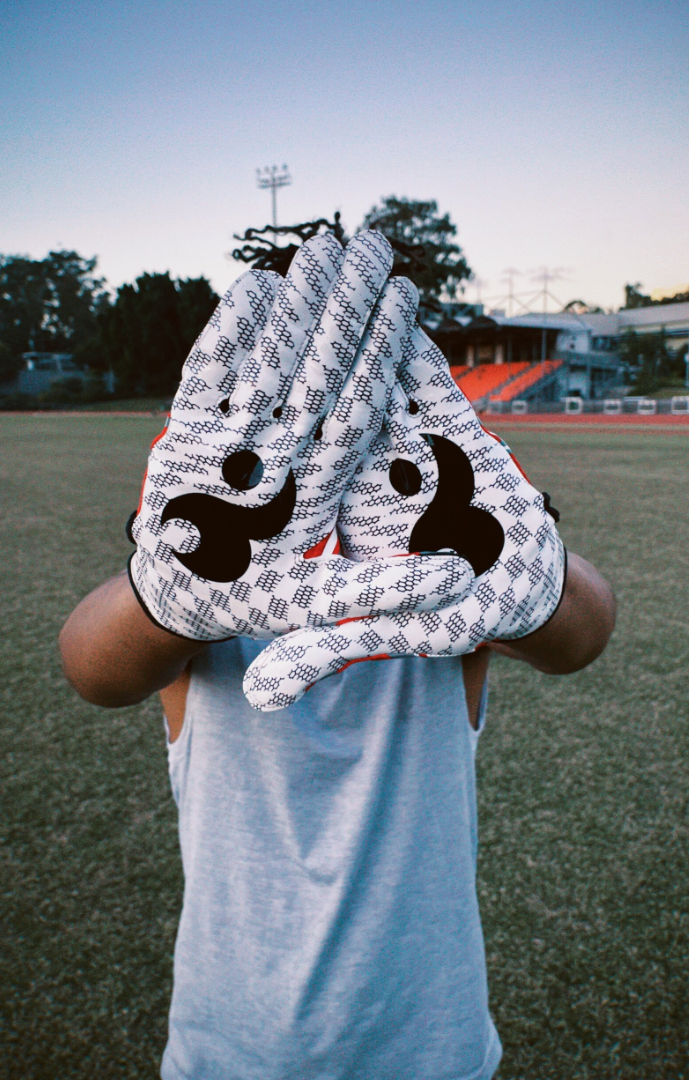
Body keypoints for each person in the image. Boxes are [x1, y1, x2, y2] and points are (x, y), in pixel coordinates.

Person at [59, 233, 615, 1080]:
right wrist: (166, 596)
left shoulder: (437, 554)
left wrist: (529, 577)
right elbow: (93, 666)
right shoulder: (211, 560)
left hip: (428, 1041)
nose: (327, 406)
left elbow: (580, 632)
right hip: (231, 1046)